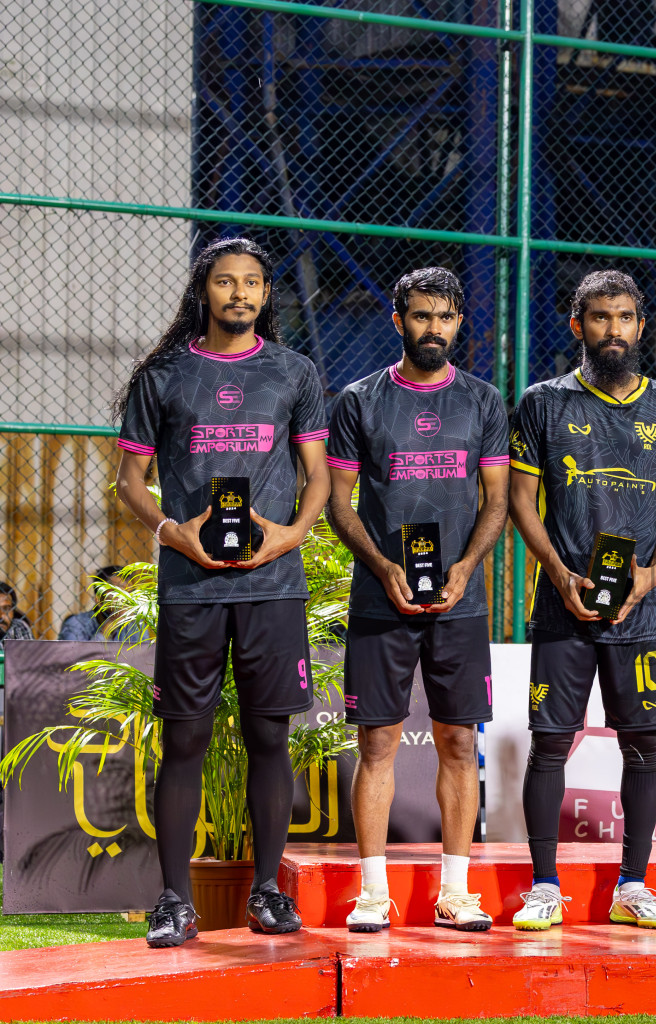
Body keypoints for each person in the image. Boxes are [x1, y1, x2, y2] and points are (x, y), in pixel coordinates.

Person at [114, 237, 330, 947]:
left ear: (267, 295)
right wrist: (175, 532)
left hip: (271, 586)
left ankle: (267, 893)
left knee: (270, 736)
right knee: (186, 738)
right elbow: (129, 483)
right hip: (190, 588)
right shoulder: (166, 375)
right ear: (203, 292)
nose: (239, 294)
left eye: (252, 284)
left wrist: (291, 534)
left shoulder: (293, 373)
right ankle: (175, 901)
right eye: (225, 282)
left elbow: (320, 476)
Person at [507, 270, 656, 930]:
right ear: (576, 325)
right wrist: (559, 574)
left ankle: (633, 886)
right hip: (563, 606)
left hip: (638, 609)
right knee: (549, 744)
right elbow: (520, 502)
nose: (612, 330)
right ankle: (543, 887)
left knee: (644, 747)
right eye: (599, 318)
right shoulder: (543, 402)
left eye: (623, 318)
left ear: (641, 327)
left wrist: (652, 574)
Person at [325, 267, 510, 933]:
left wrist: (464, 567)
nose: (435, 329)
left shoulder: (484, 402)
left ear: (461, 324)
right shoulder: (358, 400)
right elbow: (337, 502)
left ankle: (455, 893)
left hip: (460, 601)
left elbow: (497, 501)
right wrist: (381, 564)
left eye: (447, 318)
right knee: (376, 743)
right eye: (422, 316)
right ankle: (373, 893)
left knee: (459, 740)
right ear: (398, 320)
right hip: (381, 598)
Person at [59, 566, 129, 641]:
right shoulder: (76, 624)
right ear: (99, 600)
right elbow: (76, 653)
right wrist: (108, 627)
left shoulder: (137, 625)